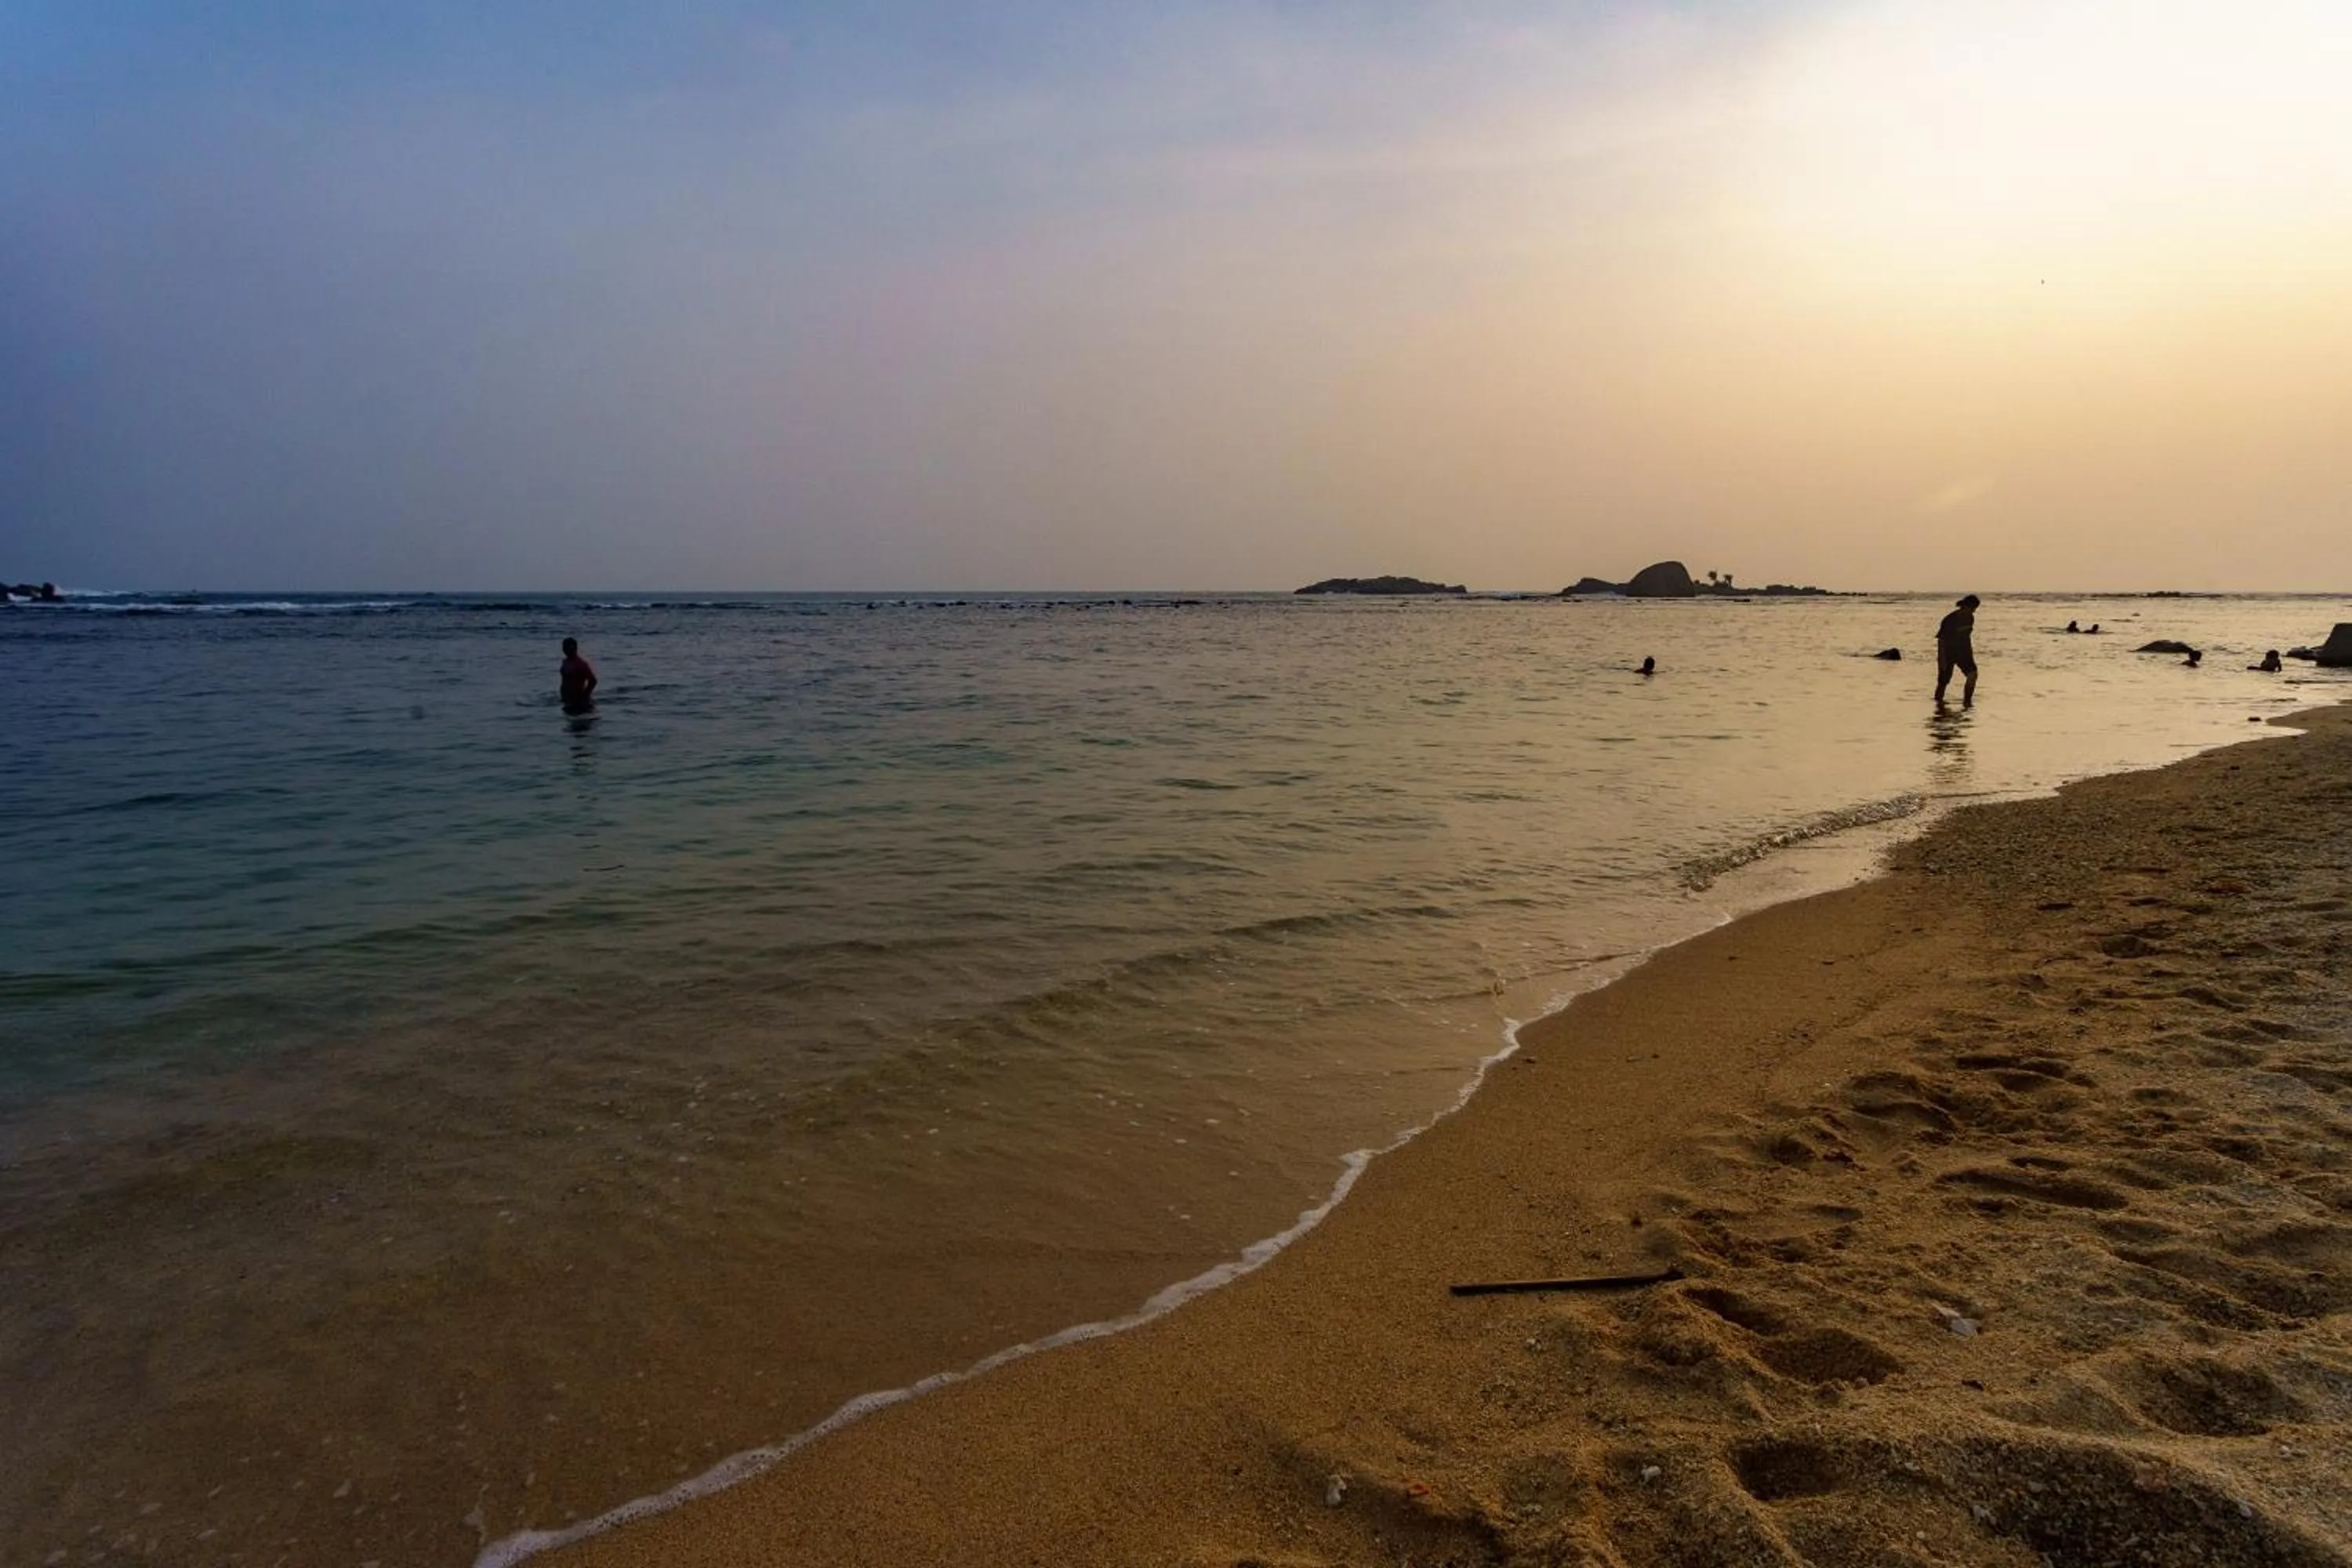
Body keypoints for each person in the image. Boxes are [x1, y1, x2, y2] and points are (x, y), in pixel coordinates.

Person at [1934, 594, 1980, 706]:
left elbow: (1967, 637)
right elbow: (1941, 641)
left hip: (1964, 653)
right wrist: (1942, 659)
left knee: (1973, 675)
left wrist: (1970, 654)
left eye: (1975, 609)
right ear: (1965, 606)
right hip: (1948, 653)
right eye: (1973, 608)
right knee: (1943, 682)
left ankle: (1967, 702)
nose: (1974, 612)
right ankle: (1938, 705)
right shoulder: (1950, 619)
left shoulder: (1970, 618)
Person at [559, 637, 598, 711]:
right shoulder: (566, 662)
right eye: (566, 648)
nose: (568, 651)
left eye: (571, 649)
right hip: (566, 698)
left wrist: (584, 696)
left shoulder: (580, 664)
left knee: (579, 721)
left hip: (578, 700)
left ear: (575, 649)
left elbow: (593, 681)